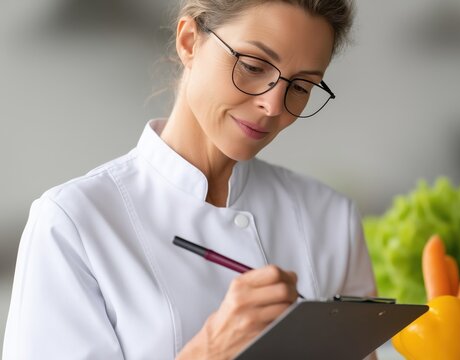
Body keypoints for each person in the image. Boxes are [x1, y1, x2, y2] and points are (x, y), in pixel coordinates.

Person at [3, 0, 376, 359]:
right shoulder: (74, 222)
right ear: (189, 40)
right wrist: (210, 351)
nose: (273, 105)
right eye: (252, 65)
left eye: (300, 87)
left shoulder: (330, 218)